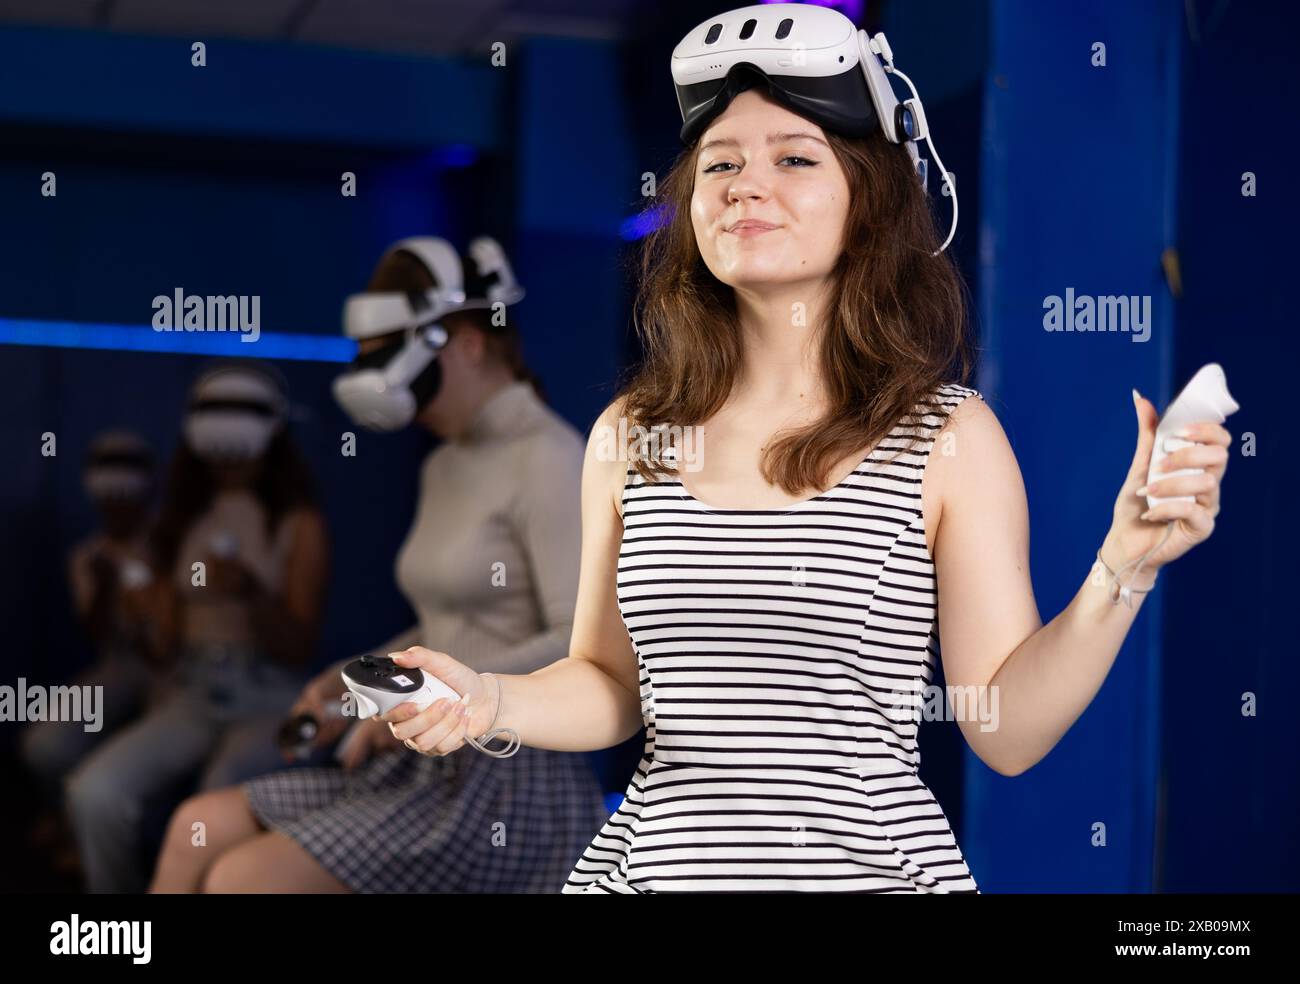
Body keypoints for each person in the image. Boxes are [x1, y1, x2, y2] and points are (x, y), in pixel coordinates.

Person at [378, 7, 1232, 893]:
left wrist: (1121, 569)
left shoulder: (946, 436)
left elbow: (1006, 732)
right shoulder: (630, 435)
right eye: (721, 164)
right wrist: (487, 697)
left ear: (868, 198)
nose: (748, 185)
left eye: (794, 157)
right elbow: (610, 683)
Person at [149, 236, 609, 893]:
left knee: (241, 880)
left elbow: (578, 642)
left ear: (469, 343)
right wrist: (352, 682)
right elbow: (446, 629)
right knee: (197, 826)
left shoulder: (552, 458)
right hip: (423, 756)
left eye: (390, 353)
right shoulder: (445, 463)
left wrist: (448, 696)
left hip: (509, 778)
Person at [65, 362, 329, 893]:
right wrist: (143, 613)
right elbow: (163, 647)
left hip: (267, 693)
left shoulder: (299, 524)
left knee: (215, 801)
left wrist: (252, 593)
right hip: (191, 688)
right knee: (94, 791)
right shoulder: (180, 522)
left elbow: (299, 644)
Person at [22, 431, 163, 855]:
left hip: (176, 673)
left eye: (126, 495)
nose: (117, 506)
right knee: (44, 746)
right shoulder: (88, 556)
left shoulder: (173, 545)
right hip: (118, 665)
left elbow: (167, 643)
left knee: (126, 776)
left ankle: (103, 839)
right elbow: (96, 636)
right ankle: (71, 821)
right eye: (108, 496)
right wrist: (105, 586)